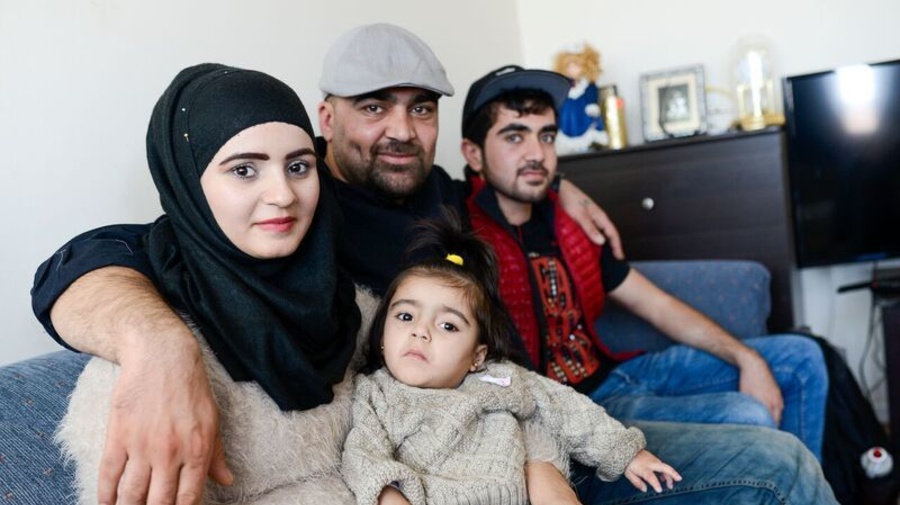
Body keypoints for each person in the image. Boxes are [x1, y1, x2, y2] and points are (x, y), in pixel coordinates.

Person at [32, 23, 837, 505]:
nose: (399, 130)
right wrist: (154, 343)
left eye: (419, 107)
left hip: (536, 421)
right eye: (373, 105)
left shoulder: (446, 194)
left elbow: (518, 170)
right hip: (469, 459)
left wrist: (570, 189)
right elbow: (94, 256)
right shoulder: (296, 218)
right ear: (325, 119)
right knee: (766, 454)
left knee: (778, 423)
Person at [460, 64, 828, 460]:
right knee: (748, 414)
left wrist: (746, 357)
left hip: (618, 375)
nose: (537, 154)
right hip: (580, 412)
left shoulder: (569, 222)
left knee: (802, 357)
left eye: (546, 136)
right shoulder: (462, 235)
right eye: (514, 136)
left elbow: (655, 304)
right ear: (473, 153)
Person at [55, 63, 365, 503]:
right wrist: (162, 346)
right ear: (188, 184)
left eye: (298, 166)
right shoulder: (139, 373)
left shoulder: (349, 304)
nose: (283, 194)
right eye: (244, 170)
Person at [342, 216, 680, 504]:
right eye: (405, 317)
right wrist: (390, 495)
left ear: (477, 356)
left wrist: (626, 452)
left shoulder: (500, 379)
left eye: (448, 325)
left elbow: (566, 408)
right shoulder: (375, 395)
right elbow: (363, 455)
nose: (421, 332)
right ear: (382, 339)